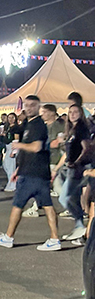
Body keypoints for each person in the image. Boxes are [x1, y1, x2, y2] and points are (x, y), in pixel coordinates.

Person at [0, 95, 60, 251]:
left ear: (38, 107)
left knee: (18, 205)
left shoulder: (38, 125)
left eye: (32, 105)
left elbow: (36, 147)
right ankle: (55, 239)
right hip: (35, 172)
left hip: (33, 173)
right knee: (47, 205)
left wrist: (18, 145)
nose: (28, 108)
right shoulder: (29, 123)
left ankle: (8, 237)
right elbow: (29, 149)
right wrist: (18, 169)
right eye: (26, 105)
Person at [52, 104, 90, 242]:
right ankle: (79, 227)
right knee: (73, 198)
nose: (73, 114)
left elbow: (86, 148)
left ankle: (80, 225)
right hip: (69, 168)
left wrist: (77, 162)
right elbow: (68, 152)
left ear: (81, 114)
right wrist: (57, 168)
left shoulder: (81, 129)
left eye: (76, 112)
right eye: (70, 112)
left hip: (77, 169)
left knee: (64, 198)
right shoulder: (71, 130)